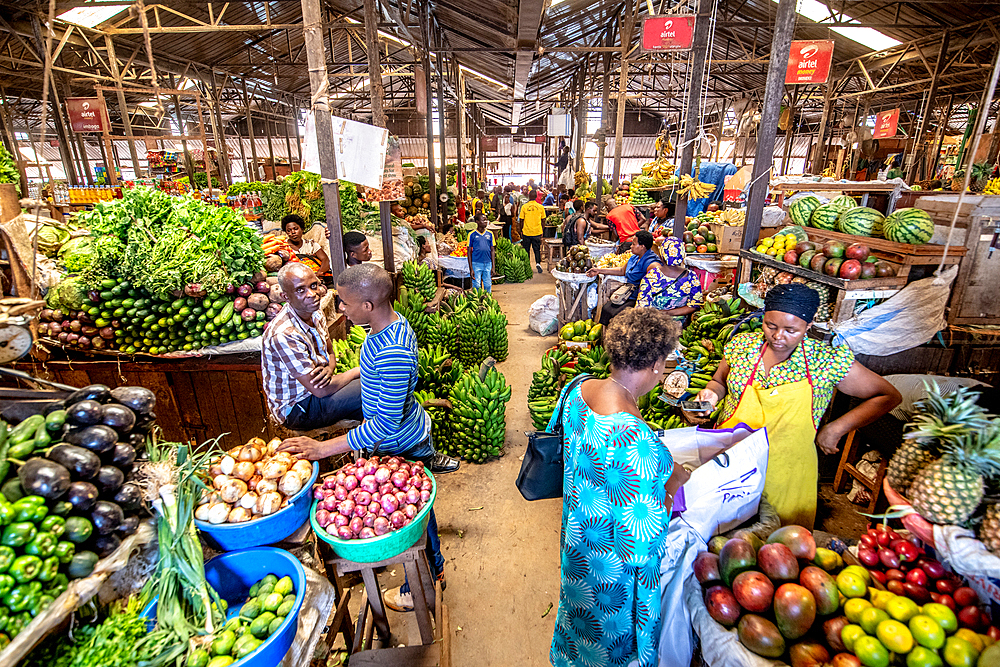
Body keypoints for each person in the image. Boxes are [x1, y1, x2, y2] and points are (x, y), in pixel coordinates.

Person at [278, 264, 460, 609]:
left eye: (344, 303)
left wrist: (323, 448)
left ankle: (422, 582)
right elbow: (375, 363)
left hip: (402, 442)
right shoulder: (390, 326)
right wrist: (347, 375)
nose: (339, 308)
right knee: (418, 513)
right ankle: (431, 572)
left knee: (416, 518)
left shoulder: (392, 351)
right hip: (400, 437)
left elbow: (385, 425)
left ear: (367, 306)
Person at [690, 283, 902, 529]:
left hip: (785, 473)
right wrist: (711, 394)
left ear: (808, 326)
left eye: (791, 330)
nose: (778, 336)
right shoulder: (742, 346)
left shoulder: (824, 360)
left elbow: (888, 395)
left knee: (778, 547)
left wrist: (836, 428)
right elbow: (719, 381)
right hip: (729, 464)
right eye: (771, 326)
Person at [549, 308, 690, 667]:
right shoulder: (635, 438)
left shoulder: (577, 389)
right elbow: (642, 538)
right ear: (658, 363)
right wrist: (674, 481)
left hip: (578, 543)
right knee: (610, 642)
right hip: (613, 573)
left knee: (577, 621)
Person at [261, 263, 363, 431]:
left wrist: (329, 369)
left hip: (317, 391)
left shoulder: (315, 312)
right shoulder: (285, 334)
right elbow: (321, 391)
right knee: (372, 389)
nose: (312, 294)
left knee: (374, 389)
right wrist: (356, 371)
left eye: (313, 286)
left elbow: (330, 351)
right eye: (300, 290)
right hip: (298, 408)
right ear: (286, 297)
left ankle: (374, 448)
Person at [588, 230, 663, 326]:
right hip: (628, 294)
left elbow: (657, 284)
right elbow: (621, 271)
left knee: (616, 315)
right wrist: (599, 270)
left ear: (642, 246)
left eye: (633, 244)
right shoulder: (635, 257)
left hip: (637, 298)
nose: (631, 246)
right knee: (606, 308)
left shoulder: (651, 263)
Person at [637, 237, 702, 320]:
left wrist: (661, 313)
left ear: (661, 255)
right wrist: (669, 313)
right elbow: (695, 305)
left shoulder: (652, 275)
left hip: (655, 324)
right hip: (679, 326)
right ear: (682, 256)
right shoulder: (691, 277)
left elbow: (642, 307)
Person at [519, 189, 545, 274]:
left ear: (529, 196)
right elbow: (543, 220)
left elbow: (521, 220)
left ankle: (527, 266)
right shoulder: (540, 207)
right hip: (537, 232)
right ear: (536, 197)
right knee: (537, 249)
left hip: (526, 232)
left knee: (526, 249)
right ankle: (538, 263)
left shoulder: (524, 207)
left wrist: (521, 231)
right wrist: (542, 229)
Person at [468, 213, 495, 292]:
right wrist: (471, 268)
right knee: (476, 284)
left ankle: (487, 300)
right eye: (483, 220)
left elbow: (492, 250)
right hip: (476, 263)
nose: (486, 222)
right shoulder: (471, 235)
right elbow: (469, 252)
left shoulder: (490, 234)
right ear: (477, 222)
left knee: (488, 284)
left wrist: (493, 266)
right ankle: (477, 301)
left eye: (486, 220)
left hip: (488, 263)